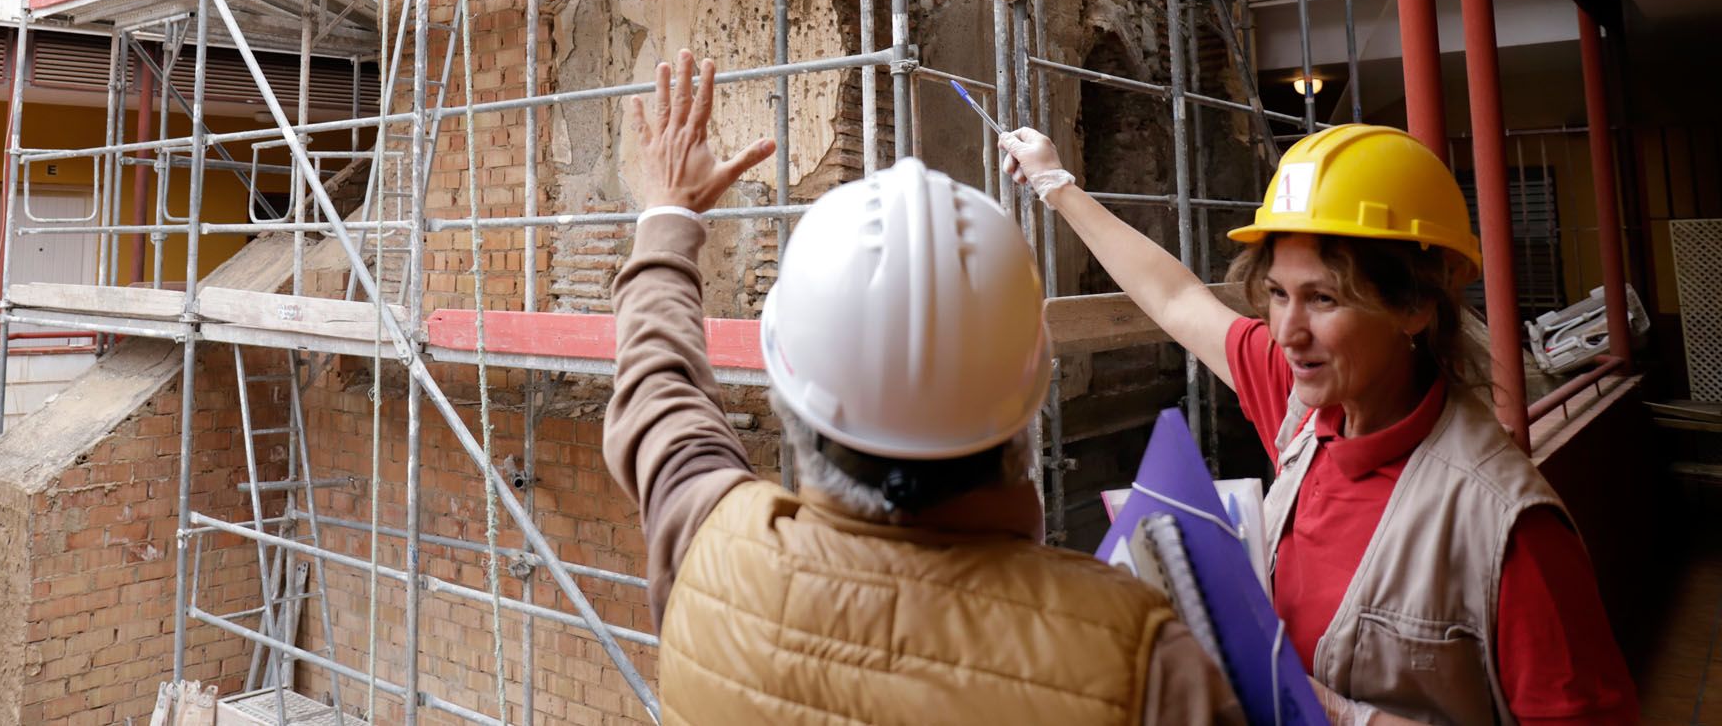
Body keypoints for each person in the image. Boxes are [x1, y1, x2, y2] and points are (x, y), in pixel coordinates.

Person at [604, 50, 1242, 724]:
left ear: (791, 397)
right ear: (1030, 398)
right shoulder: (1141, 665)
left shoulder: (711, 550)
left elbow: (659, 394)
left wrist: (667, 217)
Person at [997, 121, 1640, 726]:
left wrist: (1338, 714)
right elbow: (1176, 299)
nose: (1287, 331)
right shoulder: (1303, 405)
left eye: (1324, 298)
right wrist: (1059, 186)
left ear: (1416, 305)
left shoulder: (1511, 532)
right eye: (1277, 294)